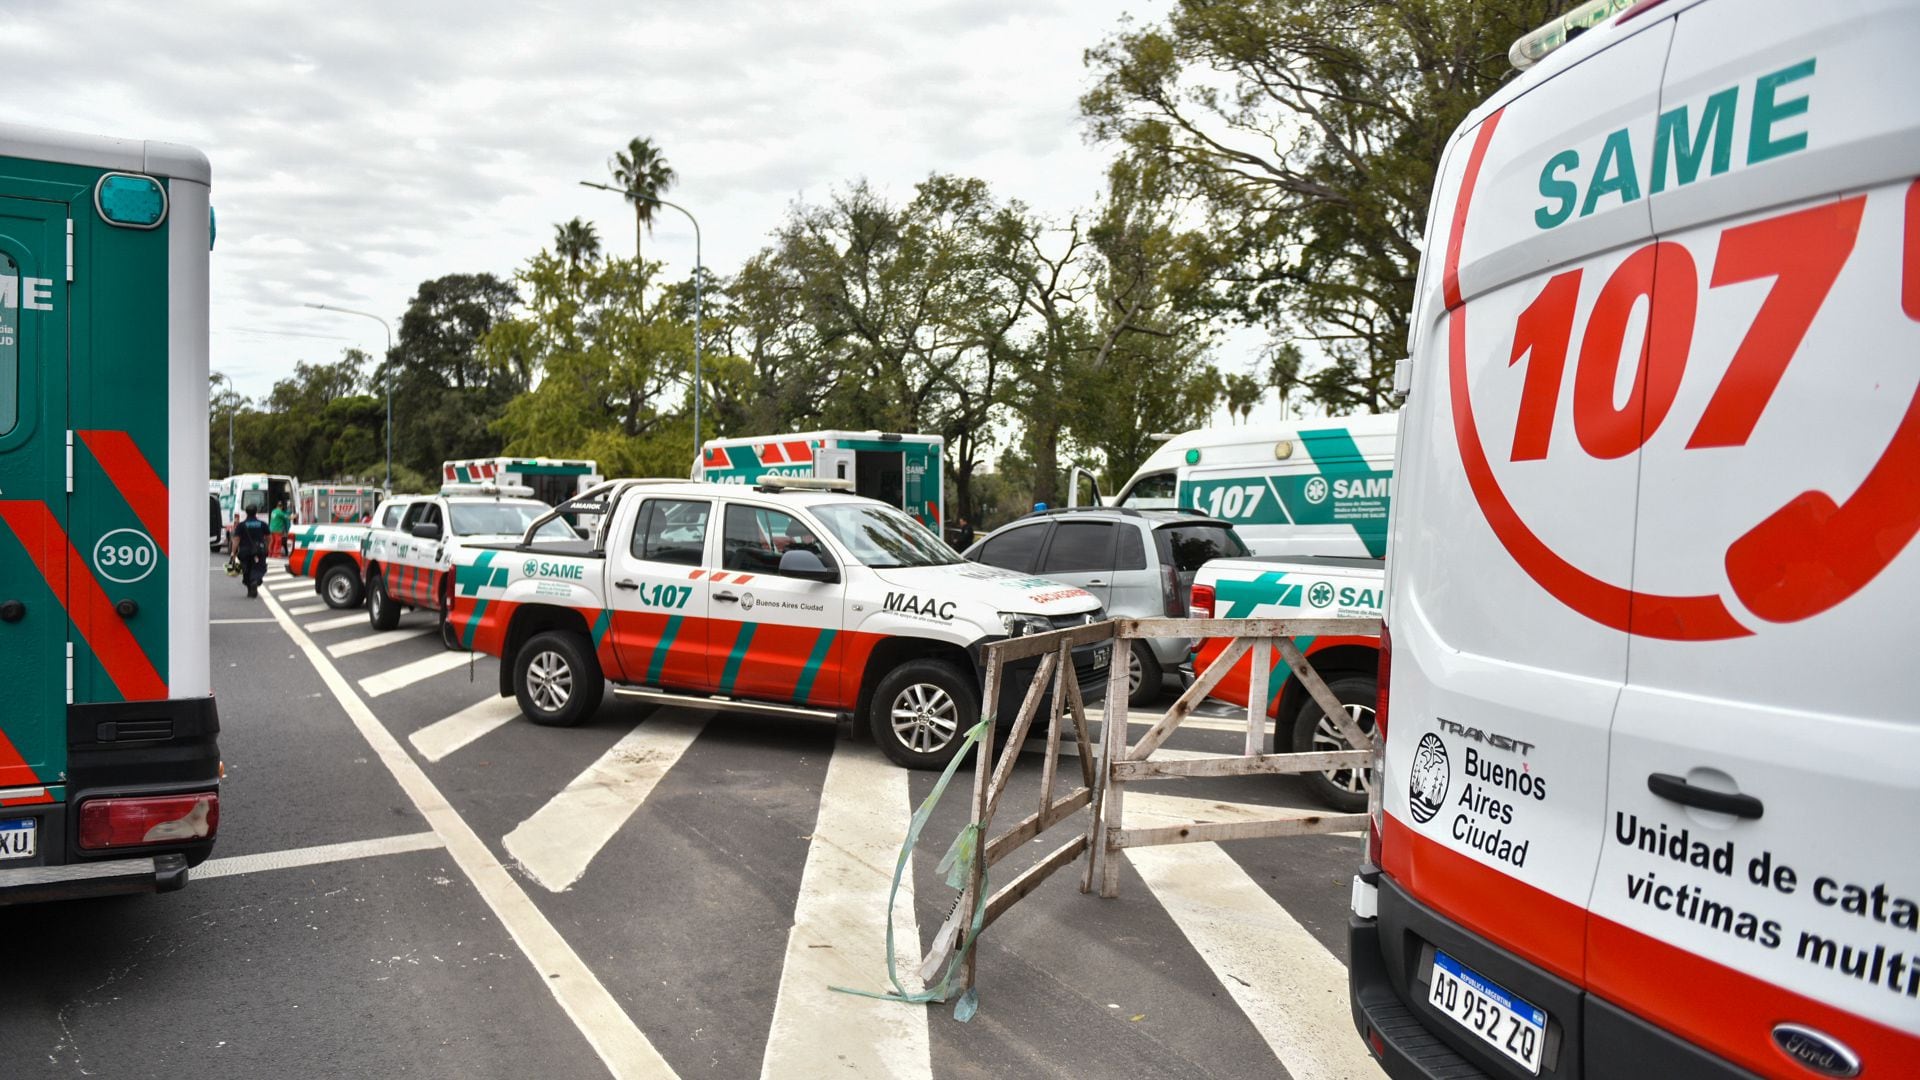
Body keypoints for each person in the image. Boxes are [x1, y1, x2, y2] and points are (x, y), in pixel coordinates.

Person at [234, 507, 271, 597]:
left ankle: (250, 588)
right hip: (259, 550)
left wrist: (233, 552)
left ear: (246, 513)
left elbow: (236, 539)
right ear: (256, 512)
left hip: (245, 551)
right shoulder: (262, 524)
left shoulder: (241, 525)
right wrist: (267, 547)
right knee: (259, 567)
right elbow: (268, 537)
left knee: (246, 569)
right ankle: (254, 581)